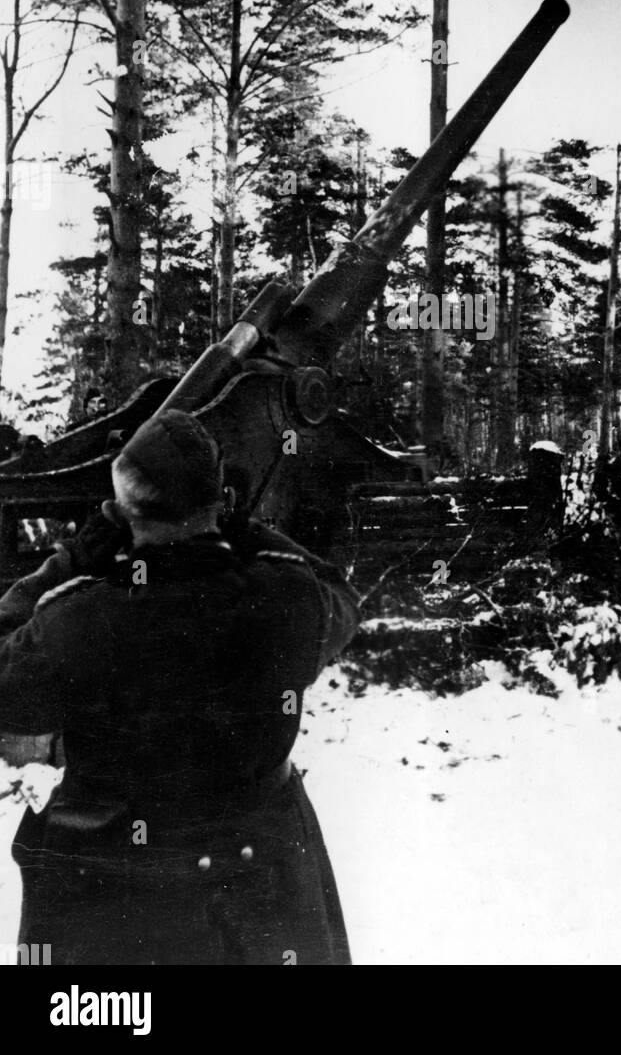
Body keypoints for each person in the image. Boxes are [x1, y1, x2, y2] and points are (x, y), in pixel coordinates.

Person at [0, 408, 361, 965]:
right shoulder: (283, 598)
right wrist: (240, 526)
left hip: (116, 903)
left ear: (123, 511)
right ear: (217, 499)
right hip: (262, 894)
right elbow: (336, 592)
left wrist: (71, 560)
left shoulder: (81, 622)